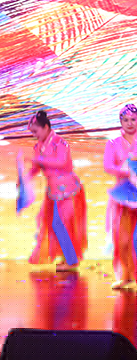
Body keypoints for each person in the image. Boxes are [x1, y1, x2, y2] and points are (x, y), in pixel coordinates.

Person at [103, 104, 137, 290]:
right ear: (121, 122)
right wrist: (128, 172)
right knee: (123, 239)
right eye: (125, 120)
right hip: (122, 196)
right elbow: (108, 166)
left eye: (133, 119)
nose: (129, 123)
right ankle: (125, 275)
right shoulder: (113, 143)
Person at [25, 110, 87, 271]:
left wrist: (38, 159)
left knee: (63, 223)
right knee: (56, 224)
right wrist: (25, 177)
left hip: (68, 190)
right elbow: (36, 167)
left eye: (36, 131)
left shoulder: (60, 143)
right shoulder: (39, 146)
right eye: (32, 132)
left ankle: (72, 260)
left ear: (46, 127)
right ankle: (68, 258)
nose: (34, 135)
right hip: (53, 192)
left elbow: (61, 162)